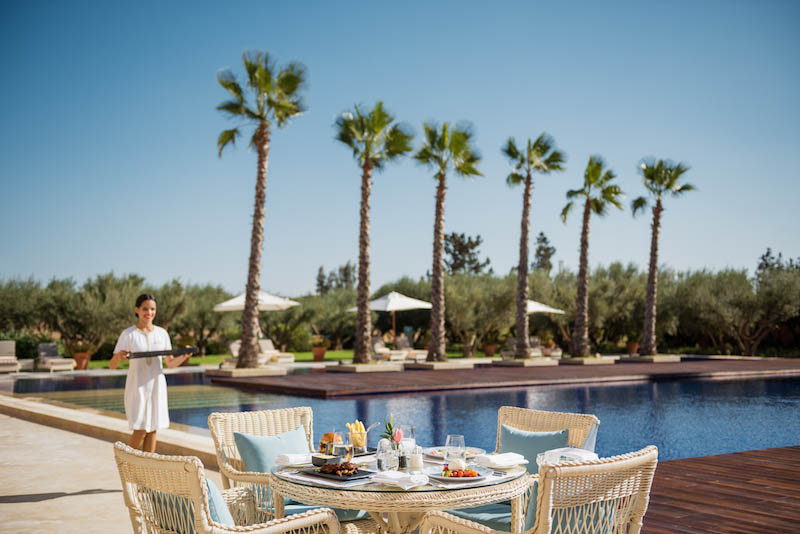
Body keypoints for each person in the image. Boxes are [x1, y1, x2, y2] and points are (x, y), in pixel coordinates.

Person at [109, 293, 191, 452]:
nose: (149, 312)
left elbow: (170, 363)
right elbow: (112, 365)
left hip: (157, 386)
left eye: (152, 309)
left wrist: (185, 355)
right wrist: (119, 356)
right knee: (140, 428)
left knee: (153, 428)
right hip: (137, 386)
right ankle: (127, 463)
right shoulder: (129, 334)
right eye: (145, 308)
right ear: (137, 310)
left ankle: (147, 469)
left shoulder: (162, 334)